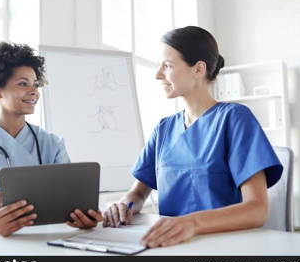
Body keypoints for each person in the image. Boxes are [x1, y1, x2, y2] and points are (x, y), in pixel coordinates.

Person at [103, 26, 283, 248]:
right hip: (170, 247)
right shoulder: (164, 129)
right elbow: (138, 193)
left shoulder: (234, 119)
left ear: (198, 69)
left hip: (227, 247)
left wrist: (191, 223)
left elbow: (257, 209)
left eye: (167, 66)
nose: (158, 74)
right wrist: (123, 205)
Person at [0, 42, 103, 236]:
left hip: (41, 238)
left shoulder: (52, 143)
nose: (33, 91)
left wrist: (81, 217)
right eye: (23, 83)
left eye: (35, 84)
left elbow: (68, 201)